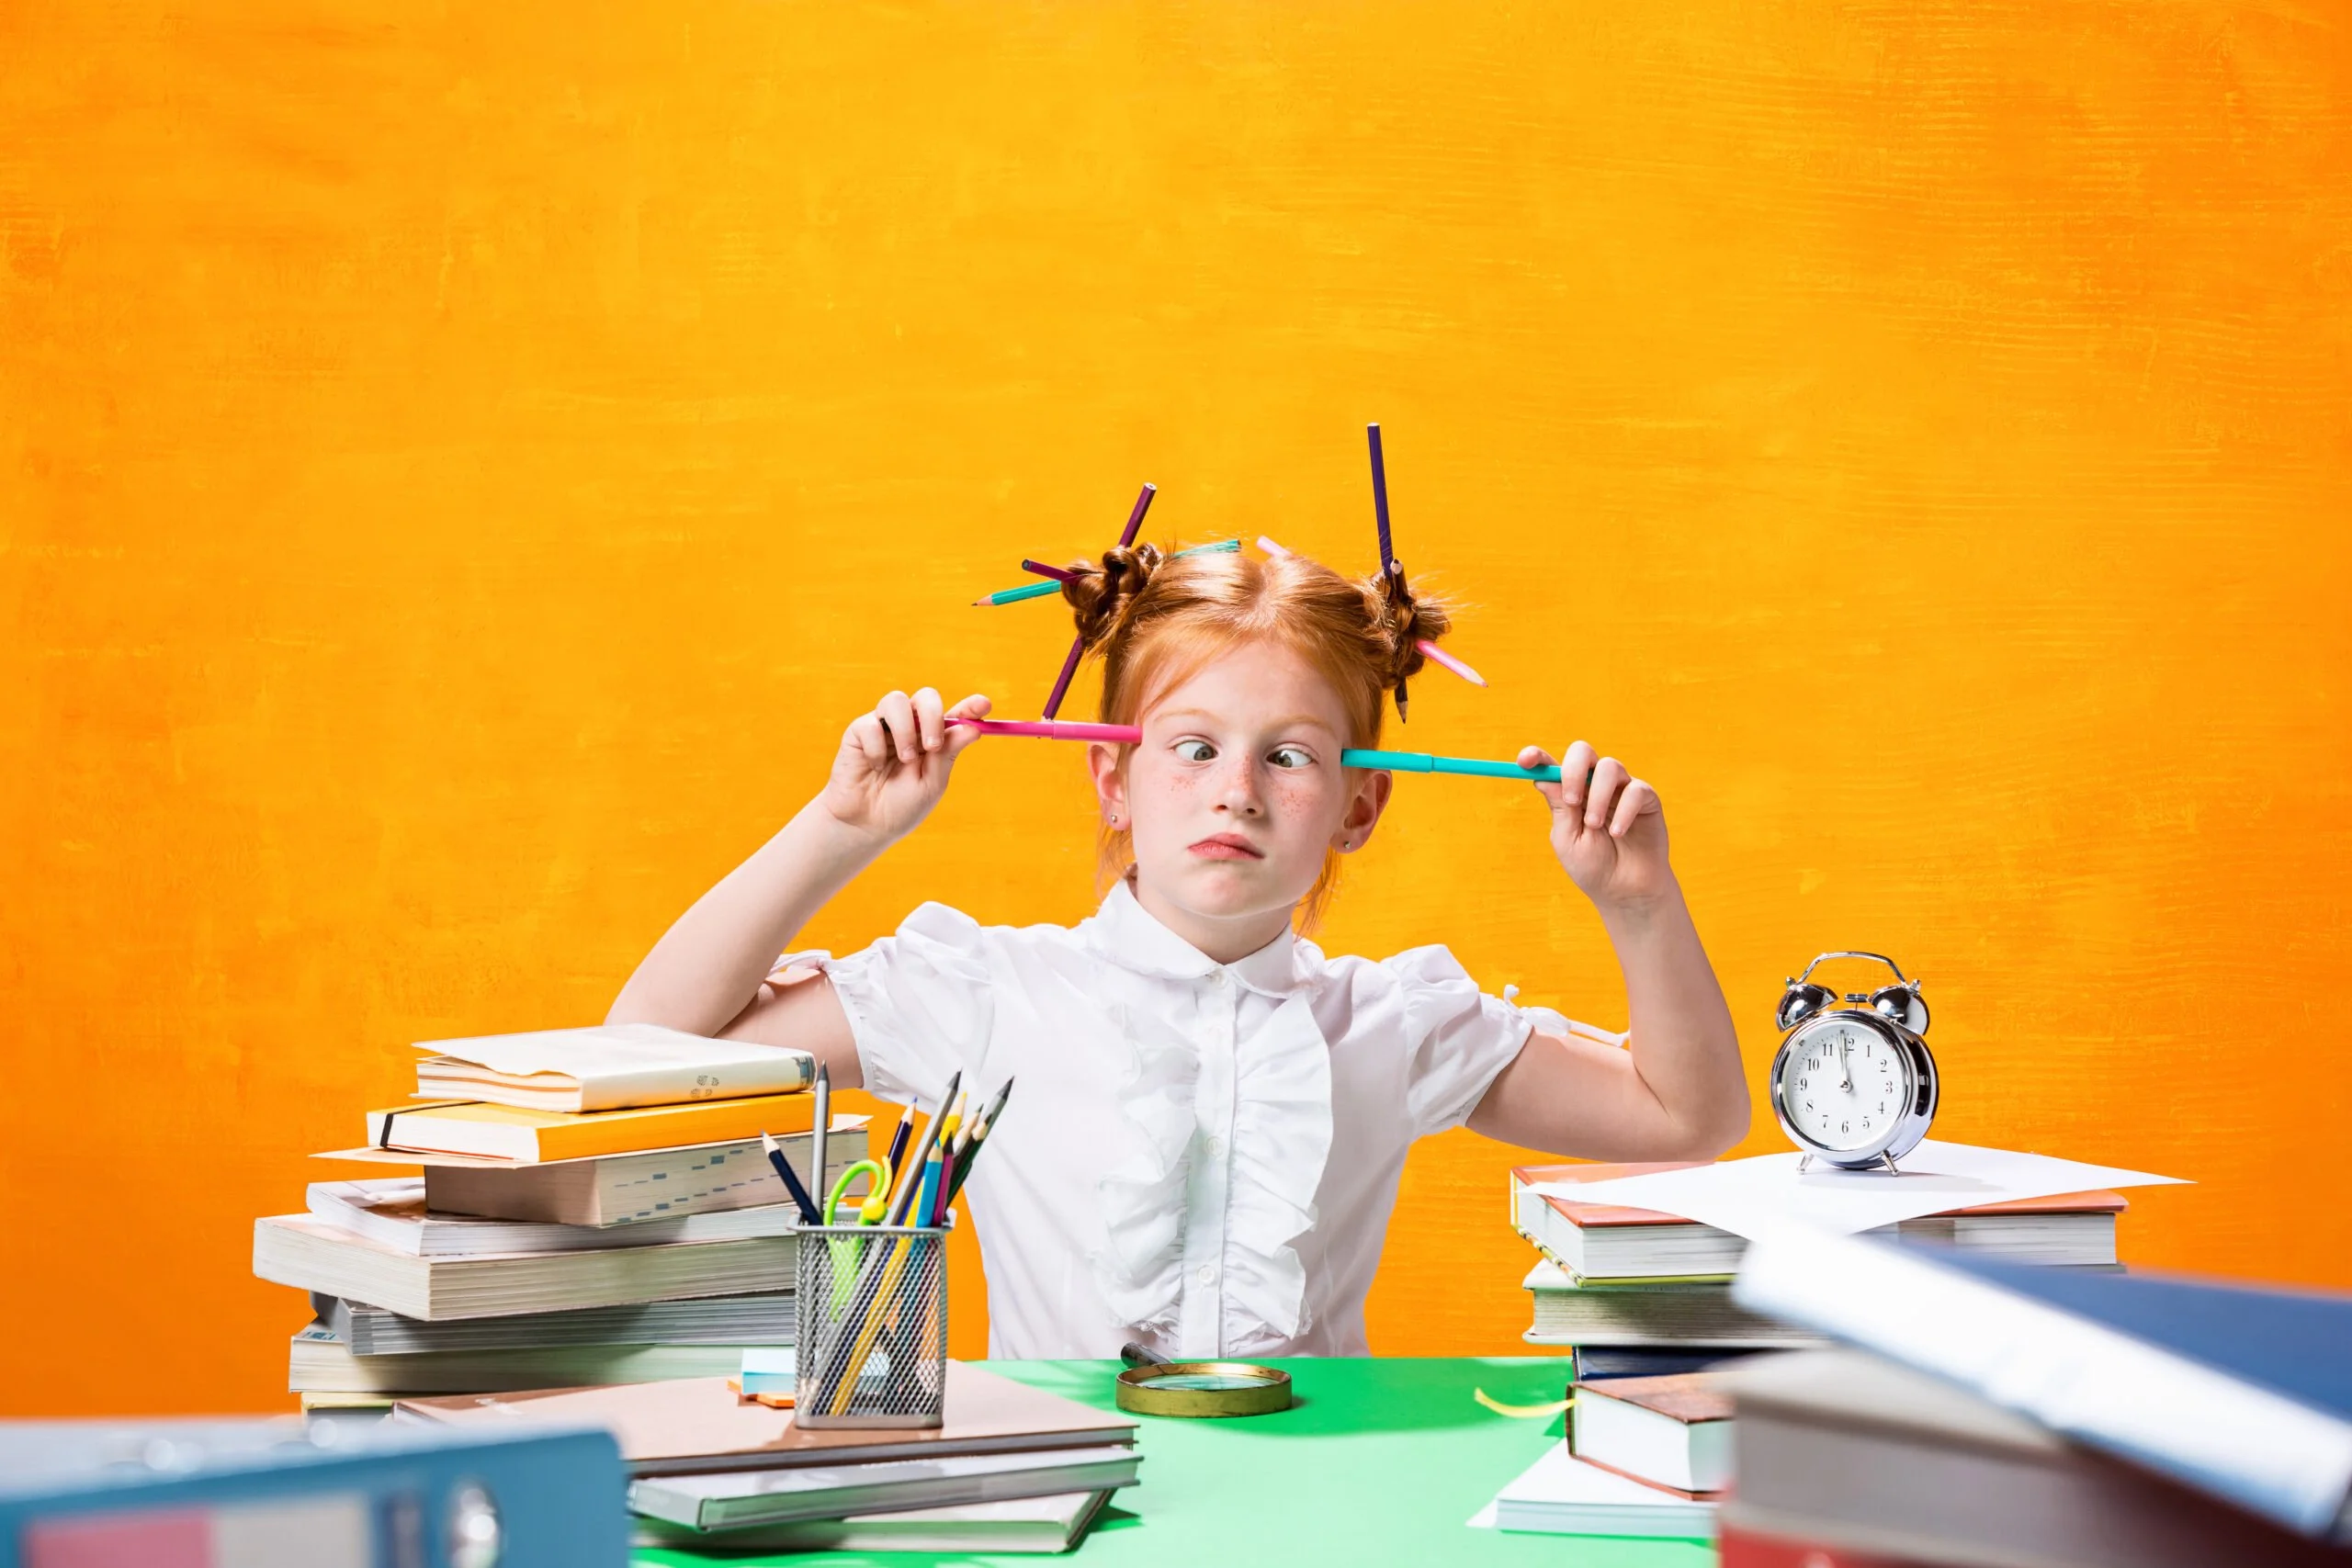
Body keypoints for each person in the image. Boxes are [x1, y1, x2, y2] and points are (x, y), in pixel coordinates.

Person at [608, 543, 1747, 1358]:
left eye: (1290, 758)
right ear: (1112, 778)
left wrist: (1638, 904)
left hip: (1312, 1514)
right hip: (1054, 1507)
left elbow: (1686, 1119)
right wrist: (842, 831)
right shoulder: (982, 995)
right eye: (1191, 748)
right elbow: (640, 1050)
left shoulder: (1395, 1024)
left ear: (1359, 809)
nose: (1235, 794)